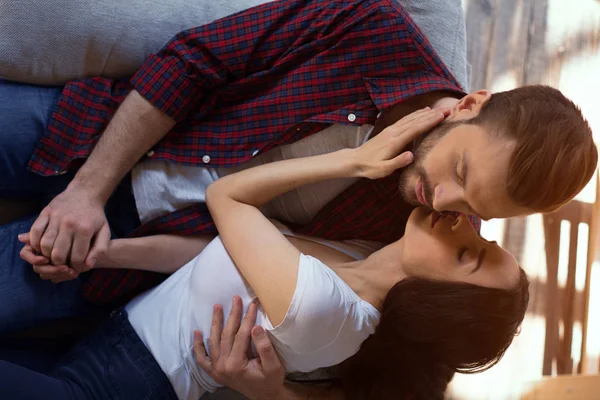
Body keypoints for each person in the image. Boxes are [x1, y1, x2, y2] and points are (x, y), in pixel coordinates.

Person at [0, 0, 594, 335]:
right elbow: (193, 61)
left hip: (130, 255)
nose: (442, 202)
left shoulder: (421, 237)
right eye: (460, 172)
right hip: (93, 136)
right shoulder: (375, 32)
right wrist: (86, 192)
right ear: (469, 105)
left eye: (473, 209)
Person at [5, 109, 529, 400]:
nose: (464, 225)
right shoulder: (363, 256)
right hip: (114, 334)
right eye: (485, 240)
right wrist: (105, 254)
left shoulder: (321, 309)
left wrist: (351, 162)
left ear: (439, 301)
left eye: (469, 257)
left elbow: (225, 197)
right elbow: (219, 251)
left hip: (123, 383)